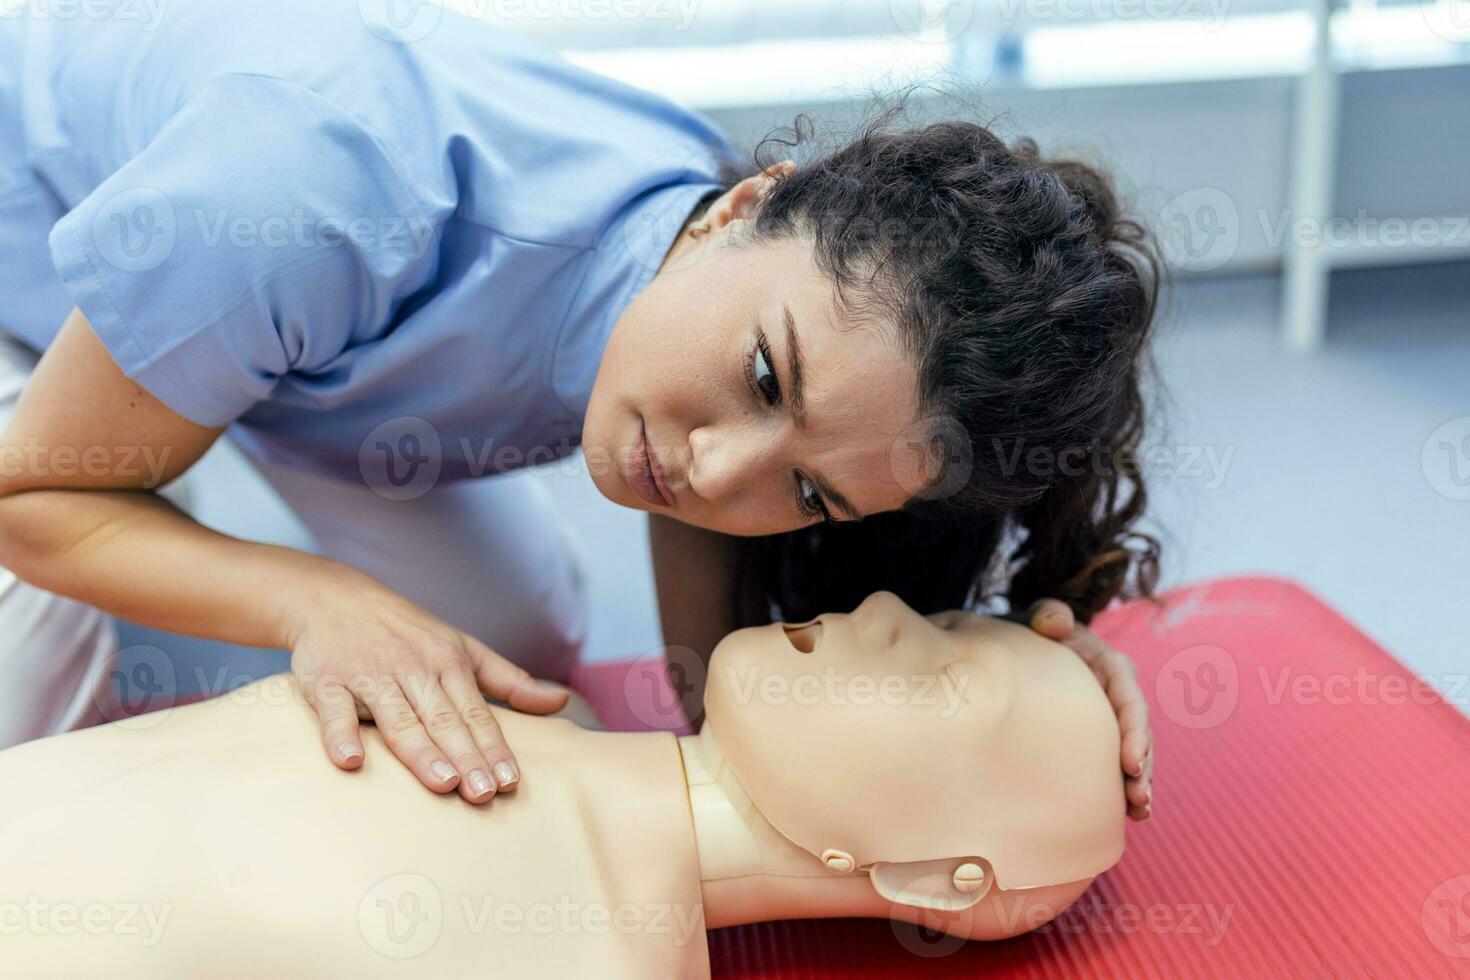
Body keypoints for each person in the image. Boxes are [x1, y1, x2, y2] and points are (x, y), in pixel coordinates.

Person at [0, 0, 1156, 816]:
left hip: (267, 328)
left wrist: (1022, 680)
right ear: (749, 203)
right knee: (38, 629)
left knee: (510, 647)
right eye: (765, 379)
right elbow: (32, 492)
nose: (714, 473)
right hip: (39, 261)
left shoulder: (730, 269)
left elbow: (736, 665)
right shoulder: (310, 186)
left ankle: (176, 397)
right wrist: (315, 605)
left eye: (806, 489)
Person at [0, 592, 1125, 978]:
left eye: (940, 671)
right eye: (934, 618)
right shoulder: (540, 707)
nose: (883, 609)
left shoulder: (597, 954)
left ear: (930, 874)